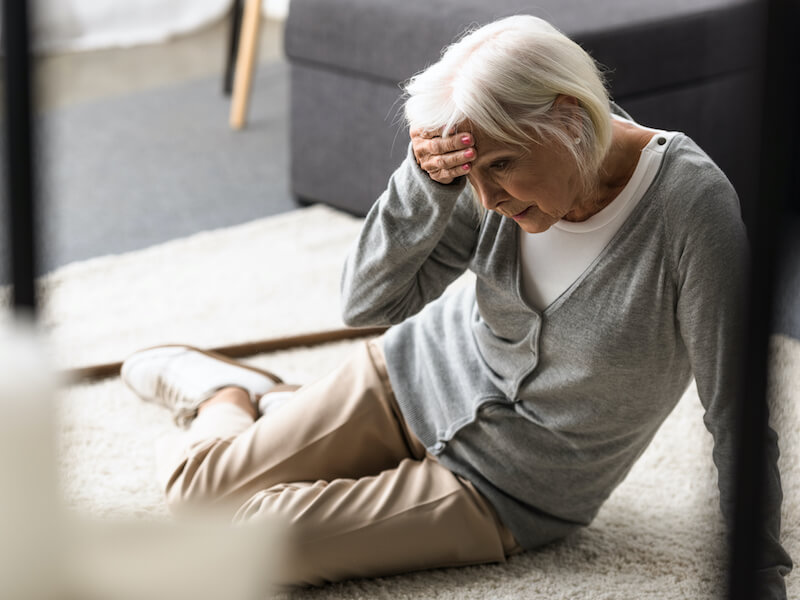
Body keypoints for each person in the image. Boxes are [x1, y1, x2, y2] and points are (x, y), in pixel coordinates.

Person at [121, 15, 792, 595]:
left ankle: (276, 407)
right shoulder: (488, 179)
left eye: (499, 165)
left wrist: (760, 575)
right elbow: (368, 301)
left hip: (504, 489)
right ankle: (228, 395)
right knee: (196, 494)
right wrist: (427, 181)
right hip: (409, 377)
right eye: (472, 173)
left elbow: (735, 407)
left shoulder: (689, 208)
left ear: (569, 118)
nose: (489, 199)